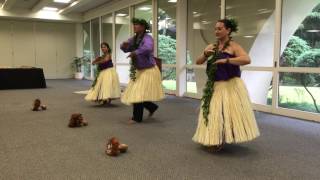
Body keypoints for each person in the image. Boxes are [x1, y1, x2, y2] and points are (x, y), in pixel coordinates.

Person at [192, 19, 260, 151]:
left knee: (226, 112)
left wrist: (227, 60)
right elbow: (198, 61)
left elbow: (246, 59)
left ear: (228, 30)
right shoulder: (211, 46)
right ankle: (213, 138)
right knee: (213, 112)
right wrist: (205, 54)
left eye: (220, 28)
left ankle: (221, 138)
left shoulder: (234, 46)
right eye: (215, 28)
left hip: (230, 85)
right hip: (215, 85)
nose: (216, 31)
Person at [120, 18, 164, 124]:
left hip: (149, 70)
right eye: (134, 24)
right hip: (139, 70)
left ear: (143, 27)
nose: (134, 26)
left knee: (137, 92)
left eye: (137, 25)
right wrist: (123, 46)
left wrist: (135, 52)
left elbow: (148, 48)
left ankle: (137, 118)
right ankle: (152, 107)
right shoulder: (133, 39)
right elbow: (126, 48)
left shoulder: (148, 38)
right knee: (137, 92)